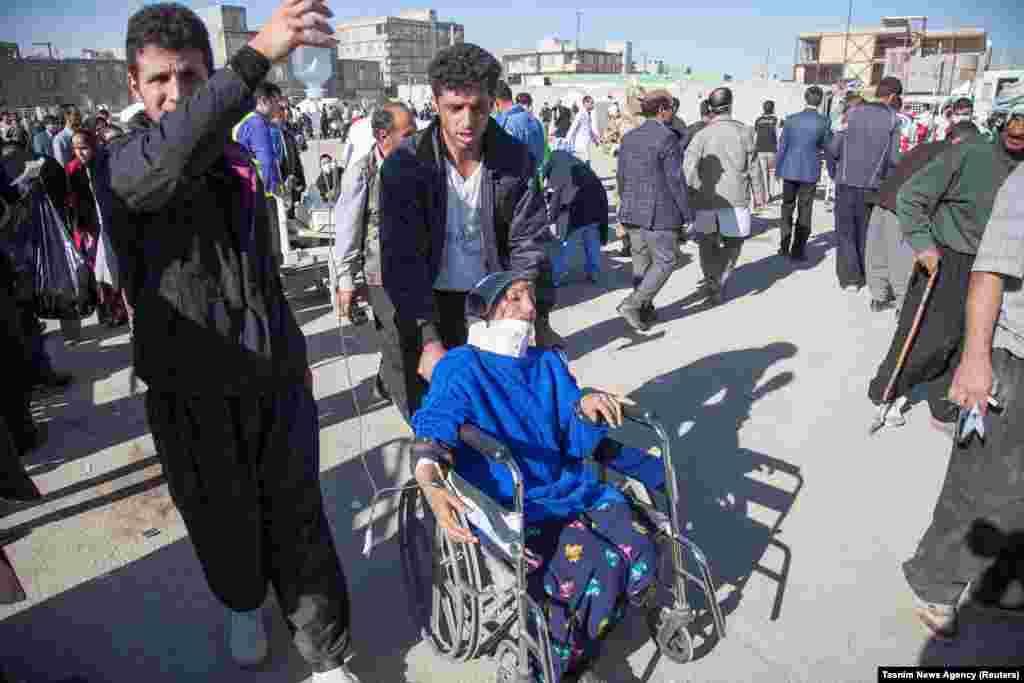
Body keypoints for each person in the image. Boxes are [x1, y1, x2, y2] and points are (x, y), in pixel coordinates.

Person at [104, 3, 362, 680]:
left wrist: (296, 357)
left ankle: (327, 653)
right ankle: (243, 603)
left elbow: (263, 277)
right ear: (133, 85)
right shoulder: (126, 165)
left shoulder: (238, 159)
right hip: (191, 393)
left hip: (269, 378)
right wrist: (255, 57)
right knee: (225, 523)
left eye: (191, 76)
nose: (177, 92)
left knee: (299, 516)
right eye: (160, 78)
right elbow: (166, 162)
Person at [410, 271, 657, 683]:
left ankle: (589, 628)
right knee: (596, 563)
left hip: (564, 488)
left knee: (639, 541)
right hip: (512, 501)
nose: (530, 307)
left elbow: (575, 442)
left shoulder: (546, 362)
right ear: (487, 311)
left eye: (530, 297)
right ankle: (556, 666)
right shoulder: (461, 365)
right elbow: (435, 422)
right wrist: (430, 480)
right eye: (515, 298)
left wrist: (586, 408)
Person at [376, 42, 555, 421]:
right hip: (426, 305)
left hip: (489, 306)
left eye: (479, 107)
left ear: (492, 101)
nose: (467, 121)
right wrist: (427, 340)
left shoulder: (515, 159)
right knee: (434, 415)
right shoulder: (405, 167)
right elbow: (401, 260)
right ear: (436, 102)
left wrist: (537, 316)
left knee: (496, 413)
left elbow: (530, 242)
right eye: (455, 108)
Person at [903, 158, 1024, 639]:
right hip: (1013, 354)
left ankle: (1004, 583)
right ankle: (938, 582)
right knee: (980, 481)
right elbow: (990, 271)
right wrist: (976, 359)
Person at [868, 113, 1023, 430]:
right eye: (1016, 121)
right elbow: (910, 196)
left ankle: (945, 407)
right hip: (950, 260)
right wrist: (924, 246)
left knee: (968, 343)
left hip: (998, 268)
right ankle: (888, 395)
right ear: (1002, 121)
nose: (1018, 132)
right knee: (926, 338)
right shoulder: (970, 153)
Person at [332, 103, 417, 404]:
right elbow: (347, 229)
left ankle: (385, 381)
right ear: (383, 135)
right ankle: (415, 417)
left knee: (413, 340)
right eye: (408, 134)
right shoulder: (362, 173)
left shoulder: (420, 165)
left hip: (418, 270)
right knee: (398, 343)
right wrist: (345, 281)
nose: (415, 139)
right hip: (380, 274)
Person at [865, 121, 979, 314]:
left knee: (878, 252)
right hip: (903, 206)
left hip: (883, 199)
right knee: (900, 258)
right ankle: (903, 305)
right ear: (962, 140)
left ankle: (878, 296)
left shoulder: (926, 146)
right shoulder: (954, 155)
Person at [615, 89, 690, 330]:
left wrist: (625, 205)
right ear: (661, 110)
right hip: (658, 212)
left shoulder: (629, 138)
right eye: (671, 109)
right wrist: (687, 213)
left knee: (641, 264)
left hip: (632, 210)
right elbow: (675, 180)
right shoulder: (667, 137)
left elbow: (621, 177)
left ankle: (643, 311)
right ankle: (633, 304)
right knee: (666, 260)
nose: (672, 113)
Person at [684, 86, 764, 306]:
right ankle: (723, 278)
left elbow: (688, 169)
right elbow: (754, 167)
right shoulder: (745, 132)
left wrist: (688, 197)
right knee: (733, 243)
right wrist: (759, 194)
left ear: (711, 108)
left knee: (707, 244)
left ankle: (711, 282)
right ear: (731, 104)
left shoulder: (701, 135)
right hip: (736, 200)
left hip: (705, 201)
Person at [826, 77, 903, 291]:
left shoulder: (853, 112)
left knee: (844, 231)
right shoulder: (893, 119)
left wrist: (837, 172)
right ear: (893, 96)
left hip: (845, 181)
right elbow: (894, 159)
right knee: (866, 230)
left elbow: (833, 148)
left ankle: (850, 278)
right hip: (873, 184)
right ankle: (865, 274)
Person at [66, 129, 127, 327]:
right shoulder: (73, 169)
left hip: (108, 223)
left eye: (83, 148)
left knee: (114, 269)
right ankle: (108, 311)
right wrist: (82, 229)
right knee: (98, 273)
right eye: (76, 148)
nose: (80, 152)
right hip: (89, 228)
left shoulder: (103, 164)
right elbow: (74, 202)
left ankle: (121, 310)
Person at [774, 86, 829, 260]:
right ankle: (798, 251)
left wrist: (778, 168)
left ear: (805, 99)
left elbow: (782, 146)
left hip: (789, 170)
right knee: (805, 210)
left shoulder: (791, 120)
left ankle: (784, 246)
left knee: (787, 207)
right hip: (809, 171)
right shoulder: (824, 121)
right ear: (820, 101)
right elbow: (826, 145)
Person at [545, 150, 609, 287]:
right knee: (592, 243)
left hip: (575, 217)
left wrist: (551, 219)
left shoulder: (560, 170)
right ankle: (594, 273)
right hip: (595, 213)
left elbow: (555, 199)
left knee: (565, 248)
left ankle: (556, 277)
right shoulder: (583, 167)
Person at [492, 81, 546, 171]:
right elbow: (540, 158)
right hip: (532, 179)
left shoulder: (507, 124)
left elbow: (504, 162)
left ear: (496, 102)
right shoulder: (535, 121)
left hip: (513, 181)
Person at [753, 100, 781, 200]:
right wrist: (779, 148)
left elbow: (755, 136)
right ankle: (771, 193)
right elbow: (777, 134)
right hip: (771, 149)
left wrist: (754, 149)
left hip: (760, 149)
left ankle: (766, 194)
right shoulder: (775, 119)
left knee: (764, 173)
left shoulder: (758, 120)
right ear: (772, 108)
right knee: (772, 172)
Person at [566, 95, 600, 166]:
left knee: (586, 165)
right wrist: (567, 140)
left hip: (586, 145)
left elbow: (589, 130)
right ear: (585, 103)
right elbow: (573, 127)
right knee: (582, 166)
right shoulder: (580, 114)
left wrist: (595, 141)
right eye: (591, 103)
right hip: (580, 145)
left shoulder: (588, 114)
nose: (593, 105)